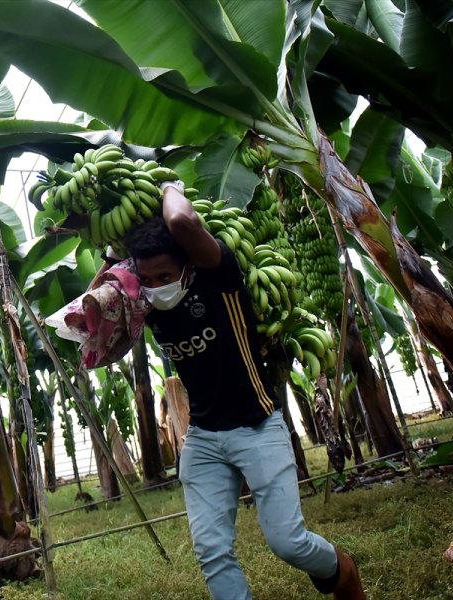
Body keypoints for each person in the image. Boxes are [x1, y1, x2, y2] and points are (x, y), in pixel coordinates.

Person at [122, 180, 365, 600]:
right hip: (203, 438)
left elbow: (181, 219)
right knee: (212, 551)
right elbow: (91, 321)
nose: (156, 285)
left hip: (257, 426)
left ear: (188, 265)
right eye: (147, 278)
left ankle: (341, 569)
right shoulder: (144, 303)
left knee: (288, 542)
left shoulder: (220, 276)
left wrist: (168, 186)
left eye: (164, 275)